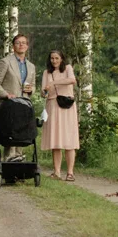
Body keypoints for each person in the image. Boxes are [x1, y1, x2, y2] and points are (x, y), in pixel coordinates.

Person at [0, 34, 36, 162]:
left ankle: (19, 161)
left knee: (22, 133)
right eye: (18, 43)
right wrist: (5, 94)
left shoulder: (31, 66)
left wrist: (31, 89)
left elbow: (33, 86)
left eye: (23, 43)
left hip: (24, 106)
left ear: (27, 46)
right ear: (13, 46)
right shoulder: (6, 62)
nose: (21, 45)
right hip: (9, 105)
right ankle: (9, 160)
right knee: (10, 134)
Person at [41, 50, 80, 180]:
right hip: (52, 105)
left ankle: (70, 172)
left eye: (57, 58)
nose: (54, 61)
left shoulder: (68, 68)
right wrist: (45, 91)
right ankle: (57, 172)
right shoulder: (46, 73)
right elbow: (43, 92)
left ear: (62, 59)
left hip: (67, 106)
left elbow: (72, 80)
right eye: (52, 58)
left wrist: (54, 83)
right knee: (56, 139)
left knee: (70, 139)